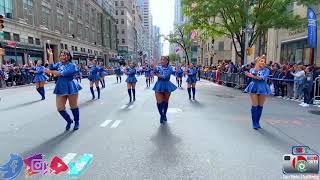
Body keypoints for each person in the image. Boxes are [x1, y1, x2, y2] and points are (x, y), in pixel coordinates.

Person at [45, 49, 81, 131]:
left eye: (64, 55)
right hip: (60, 86)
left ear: (68, 57)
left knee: (73, 106)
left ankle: (76, 122)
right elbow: (51, 66)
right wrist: (50, 54)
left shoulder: (72, 65)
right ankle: (69, 120)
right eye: (61, 55)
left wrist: (49, 71)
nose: (62, 57)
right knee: (60, 108)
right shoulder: (59, 64)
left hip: (71, 86)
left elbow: (60, 73)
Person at [244, 56, 272, 130]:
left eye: (263, 61)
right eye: (261, 61)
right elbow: (254, 74)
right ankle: (254, 123)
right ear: (257, 62)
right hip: (254, 86)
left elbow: (261, 78)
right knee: (255, 105)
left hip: (263, 87)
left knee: (260, 105)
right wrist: (252, 74)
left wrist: (251, 75)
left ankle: (257, 122)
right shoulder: (252, 69)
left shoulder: (266, 70)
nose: (263, 62)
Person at [152, 56, 177, 124]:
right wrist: (154, 65)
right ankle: (162, 115)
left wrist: (156, 74)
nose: (162, 61)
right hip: (159, 85)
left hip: (167, 85)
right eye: (161, 59)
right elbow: (153, 72)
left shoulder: (170, 68)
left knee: (165, 101)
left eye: (163, 60)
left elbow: (165, 76)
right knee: (159, 102)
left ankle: (164, 114)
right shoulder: (159, 67)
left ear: (167, 61)